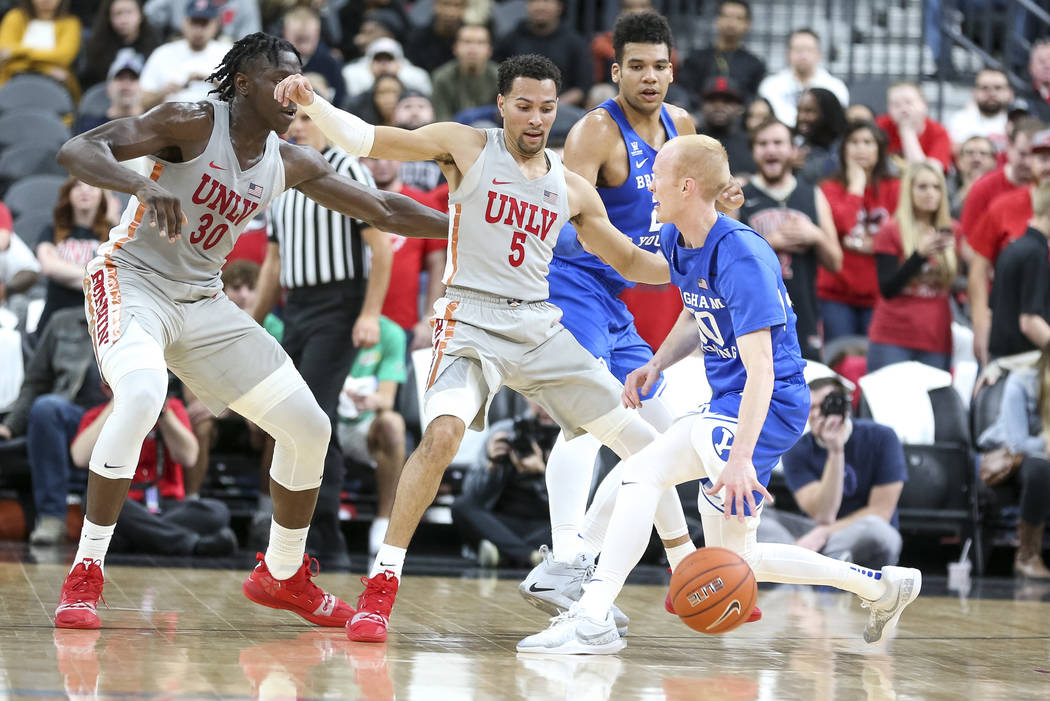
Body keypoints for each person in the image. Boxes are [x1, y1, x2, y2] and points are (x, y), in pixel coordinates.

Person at [274, 52, 741, 643]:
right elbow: (367, 138)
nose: (536, 118)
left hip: (538, 326)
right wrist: (313, 103)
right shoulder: (465, 146)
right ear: (501, 104)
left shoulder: (571, 187)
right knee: (442, 436)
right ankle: (382, 584)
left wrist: (707, 247)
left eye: (547, 108)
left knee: (645, 443)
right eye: (524, 106)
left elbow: (631, 261)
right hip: (470, 320)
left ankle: (683, 567)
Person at [49, 32, 448, 630]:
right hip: (130, 280)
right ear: (242, 84)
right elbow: (78, 149)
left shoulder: (290, 160)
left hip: (202, 300)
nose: (293, 89)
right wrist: (141, 184)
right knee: (143, 394)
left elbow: (384, 210)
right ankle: (86, 571)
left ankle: (282, 573)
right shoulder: (190, 121)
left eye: (299, 77)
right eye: (279, 78)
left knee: (310, 428)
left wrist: (467, 228)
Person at [516, 135, 921, 655]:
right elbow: (695, 310)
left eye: (658, 177)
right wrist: (656, 363)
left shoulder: (742, 256)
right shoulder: (677, 237)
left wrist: (742, 459)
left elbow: (763, 370)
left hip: (769, 403)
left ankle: (590, 614)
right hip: (731, 400)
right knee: (739, 556)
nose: (649, 187)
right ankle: (883, 587)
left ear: (687, 186)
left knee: (641, 473)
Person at [517, 11, 710, 625]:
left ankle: (651, 562)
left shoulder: (682, 127)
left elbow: (697, 208)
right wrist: (644, 258)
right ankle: (568, 553)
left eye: (659, 66)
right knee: (586, 422)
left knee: (660, 435)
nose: (649, 77)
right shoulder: (594, 133)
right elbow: (563, 219)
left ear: (672, 71)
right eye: (637, 66)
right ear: (616, 70)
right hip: (573, 284)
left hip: (619, 296)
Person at [253, 72, 394, 567]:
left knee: (314, 414)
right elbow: (272, 263)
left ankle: (324, 533)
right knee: (284, 414)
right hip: (296, 307)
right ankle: (290, 526)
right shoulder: (280, 175)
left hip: (340, 305)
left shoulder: (348, 169)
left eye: (307, 117)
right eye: (292, 118)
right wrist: (252, 320)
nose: (298, 126)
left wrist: (370, 313)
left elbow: (381, 249)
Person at [69, 385, 241, 557]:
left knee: (218, 511)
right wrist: (117, 405)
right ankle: (191, 544)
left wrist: (163, 412)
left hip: (166, 504)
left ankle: (139, 537)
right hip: (123, 504)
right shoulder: (97, 414)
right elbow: (80, 457)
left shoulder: (173, 409)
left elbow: (188, 457)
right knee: (95, 500)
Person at [762, 377, 906, 570]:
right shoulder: (797, 449)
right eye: (811, 407)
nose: (816, 414)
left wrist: (826, 533)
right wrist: (835, 452)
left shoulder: (882, 437)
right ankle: (821, 564)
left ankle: (806, 565)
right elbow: (823, 515)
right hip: (812, 532)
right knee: (758, 519)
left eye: (826, 406)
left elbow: (881, 512)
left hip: (856, 535)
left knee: (879, 530)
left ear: (844, 407)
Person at [0, 307, 107, 544]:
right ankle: (52, 517)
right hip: (72, 415)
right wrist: (10, 426)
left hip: (118, 412)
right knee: (46, 408)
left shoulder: (141, 319)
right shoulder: (62, 321)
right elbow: (35, 382)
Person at [737, 117, 841, 361]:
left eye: (778, 143)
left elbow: (836, 262)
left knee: (808, 378)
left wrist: (816, 236)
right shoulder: (739, 197)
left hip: (804, 311)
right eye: (763, 144)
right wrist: (768, 243)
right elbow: (725, 262)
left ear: (793, 150)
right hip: (754, 313)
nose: (770, 149)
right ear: (753, 151)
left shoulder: (813, 194)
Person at [868, 163, 959, 372]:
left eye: (936, 187)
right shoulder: (891, 230)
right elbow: (887, 289)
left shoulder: (953, 231)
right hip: (893, 338)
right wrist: (919, 256)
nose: (930, 193)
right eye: (922, 187)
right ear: (909, 191)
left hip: (936, 339)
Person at [963, 116, 1040, 364]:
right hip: (1003, 309)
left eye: (1038, 156)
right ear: (1008, 149)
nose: (1029, 162)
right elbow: (973, 254)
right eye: (1023, 154)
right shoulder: (995, 198)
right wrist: (980, 322)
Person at [817, 120, 901, 343]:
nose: (860, 148)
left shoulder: (895, 188)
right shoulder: (829, 188)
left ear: (879, 149)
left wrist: (864, 243)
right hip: (836, 293)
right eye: (854, 142)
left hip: (879, 295)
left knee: (873, 360)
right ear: (844, 149)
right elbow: (842, 225)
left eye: (867, 142)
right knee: (839, 356)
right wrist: (857, 185)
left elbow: (901, 237)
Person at [452, 400, 559, 567]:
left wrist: (541, 474)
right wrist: (492, 465)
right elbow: (471, 494)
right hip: (501, 522)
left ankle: (506, 552)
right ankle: (531, 555)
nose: (546, 406)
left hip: (546, 526)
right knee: (461, 505)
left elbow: (579, 506)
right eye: (540, 398)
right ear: (526, 396)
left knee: (579, 526)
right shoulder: (503, 432)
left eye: (552, 398)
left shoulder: (570, 440)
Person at [335, 313, 408, 557]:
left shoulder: (391, 333)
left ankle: (383, 522)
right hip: (326, 418)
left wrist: (370, 400)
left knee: (393, 424)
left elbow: (387, 399)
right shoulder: (326, 322)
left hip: (364, 424)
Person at [360, 155, 447, 349]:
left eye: (388, 157)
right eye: (373, 159)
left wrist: (430, 318)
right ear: (360, 161)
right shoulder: (349, 203)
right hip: (353, 324)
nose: (382, 164)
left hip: (404, 327)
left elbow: (438, 264)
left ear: (401, 159)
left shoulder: (421, 204)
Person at [977, 353, 1050, 578]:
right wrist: (1046, 443)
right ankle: (1027, 556)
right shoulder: (1022, 382)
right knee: (1040, 470)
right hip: (1012, 456)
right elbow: (1017, 443)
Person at [35, 178, 111, 334]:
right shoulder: (51, 231)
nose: (84, 190)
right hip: (54, 322)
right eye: (77, 186)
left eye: (92, 186)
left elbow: (114, 277)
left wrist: (64, 272)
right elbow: (49, 267)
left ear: (102, 195)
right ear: (68, 193)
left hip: (97, 323)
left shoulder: (113, 234)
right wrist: (94, 276)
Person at [988, 181, 1050, 359]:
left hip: (1002, 360)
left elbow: (992, 309)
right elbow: (1030, 322)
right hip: (1021, 362)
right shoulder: (1035, 254)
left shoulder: (1013, 248)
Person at [494, 0, 592, 107]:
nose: (540, 6)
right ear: (527, 5)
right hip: (518, 105)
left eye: (547, 1)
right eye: (535, 1)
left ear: (559, 7)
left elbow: (582, 87)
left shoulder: (575, 42)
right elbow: (496, 76)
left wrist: (550, 106)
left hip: (561, 106)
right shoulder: (511, 39)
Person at [138, 0, 230, 109]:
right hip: (172, 116)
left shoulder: (227, 53)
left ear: (215, 25)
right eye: (194, 22)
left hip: (215, 115)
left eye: (204, 23)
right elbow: (143, 102)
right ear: (184, 22)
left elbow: (242, 101)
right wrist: (164, 92)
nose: (198, 30)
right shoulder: (163, 53)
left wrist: (216, 83)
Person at [757, 28, 848, 127]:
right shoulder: (770, 85)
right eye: (798, 50)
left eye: (809, 50)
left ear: (819, 54)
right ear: (788, 54)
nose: (803, 55)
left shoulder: (835, 87)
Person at [681, 0, 765, 105]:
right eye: (727, 16)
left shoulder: (755, 65)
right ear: (717, 20)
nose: (731, 23)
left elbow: (754, 99)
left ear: (747, 24)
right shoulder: (696, 58)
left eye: (738, 18)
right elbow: (685, 92)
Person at [0, 0, 81, 96]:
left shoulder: (70, 22)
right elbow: (4, 53)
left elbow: (64, 57)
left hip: (57, 85)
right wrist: (46, 68)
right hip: (11, 82)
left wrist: (18, 52)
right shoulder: (15, 17)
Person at [80, 0, 160, 90]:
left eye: (129, 12)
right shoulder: (97, 48)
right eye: (118, 13)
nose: (124, 20)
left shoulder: (156, 47)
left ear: (140, 15)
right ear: (109, 17)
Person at [875, 83, 952, 172]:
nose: (903, 109)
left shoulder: (938, 132)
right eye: (896, 105)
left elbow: (928, 173)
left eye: (909, 103)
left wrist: (907, 131)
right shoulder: (880, 126)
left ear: (924, 105)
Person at [430, 23, 499, 122]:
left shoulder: (500, 77)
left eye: (480, 43)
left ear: (489, 50)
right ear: (455, 48)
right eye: (467, 42)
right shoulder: (442, 78)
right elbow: (441, 118)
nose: (473, 48)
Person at [75, 50, 147, 141]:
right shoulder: (90, 128)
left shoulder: (154, 125)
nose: (126, 85)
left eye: (133, 79)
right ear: (108, 88)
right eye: (120, 78)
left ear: (143, 88)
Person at [281, 5, 346, 107]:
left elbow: (341, 101)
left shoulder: (330, 62)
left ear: (317, 33)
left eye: (306, 39)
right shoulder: (274, 62)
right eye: (299, 39)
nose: (302, 46)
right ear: (285, 33)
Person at [342, 37, 430, 102]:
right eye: (378, 59)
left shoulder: (416, 77)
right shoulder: (353, 76)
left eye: (389, 59)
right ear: (370, 64)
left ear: (399, 63)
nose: (383, 65)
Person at [946, 68, 1014, 153]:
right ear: (974, 92)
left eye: (998, 88)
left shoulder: (1017, 123)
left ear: (1010, 93)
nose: (992, 93)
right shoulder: (959, 121)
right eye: (984, 88)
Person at [697, 76, 754, 174]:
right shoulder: (690, 140)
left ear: (739, 108)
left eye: (727, 101)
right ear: (702, 105)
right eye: (712, 100)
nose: (719, 106)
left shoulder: (750, 143)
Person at [793, 87, 847, 185]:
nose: (801, 117)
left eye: (809, 111)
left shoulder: (847, 146)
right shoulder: (796, 151)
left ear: (827, 113)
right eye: (799, 110)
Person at [144, 0, 260, 42]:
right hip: (181, 48)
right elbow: (149, 15)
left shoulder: (244, 3)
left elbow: (252, 42)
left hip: (226, 54)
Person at [404, 0, 466, 73]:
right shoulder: (417, 39)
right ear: (435, 6)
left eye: (457, 5)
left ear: (464, 9)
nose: (450, 12)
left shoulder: (472, 41)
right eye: (445, 4)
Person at [950, 135, 998, 217]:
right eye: (970, 153)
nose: (976, 159)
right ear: (959, 161)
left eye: (983, 153)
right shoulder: (947, 186)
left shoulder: (1001, 189)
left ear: (994, 162)